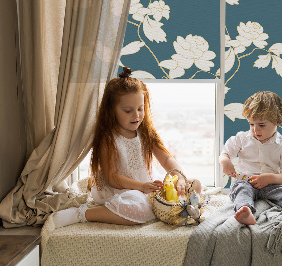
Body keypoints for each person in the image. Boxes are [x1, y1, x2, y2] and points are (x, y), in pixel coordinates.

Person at [53, 67, 201, 228]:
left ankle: (173, 207)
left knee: (195, 184)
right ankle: (82, 214)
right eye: (128, 111)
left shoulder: (145, 132)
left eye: (140, 108)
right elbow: (112, 178)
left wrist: (179, 176)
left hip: (147, 184)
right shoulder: (108, 138)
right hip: (121, 189)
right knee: (140, 210)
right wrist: (142, 186)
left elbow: (166, 159)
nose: (136, 115)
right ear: (112, 111)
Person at [219, 91, 282, 231]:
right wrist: (225, 161)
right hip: (246, 181)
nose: (255, 129)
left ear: (277, 122)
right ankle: (246, 211)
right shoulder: (242, 139)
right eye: (251, 124)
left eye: (261, 125)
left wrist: (269, 178)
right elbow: (224, 153)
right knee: (241, 190)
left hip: (271, 184)